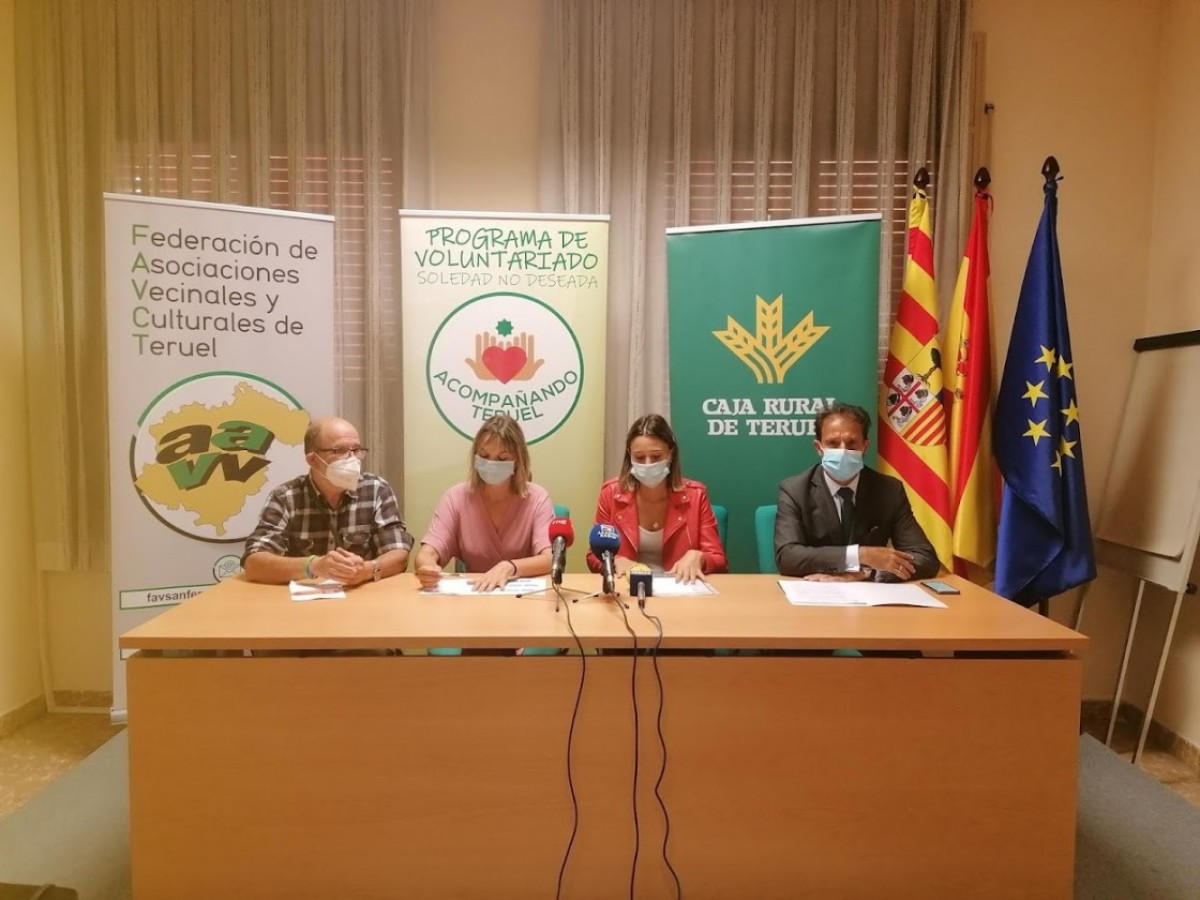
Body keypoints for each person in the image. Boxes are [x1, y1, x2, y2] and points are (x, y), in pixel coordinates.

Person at [775, 401, 938, 582]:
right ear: (818, 448)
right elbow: (788, 558)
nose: (843, 451)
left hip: (871, 598)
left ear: (864, 446)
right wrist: (860, 555)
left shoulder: (889, 490)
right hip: (813, 594)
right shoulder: (795, 490)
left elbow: (925, 558)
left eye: (852, 443)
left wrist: (865, 574)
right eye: (833, 443)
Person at [243, 416, 412, 584]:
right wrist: (314, 566)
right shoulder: (286, 497)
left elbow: (398, 553)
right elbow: (254, 563)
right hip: (302, 603)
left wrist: (367, 570)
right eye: (339, 450)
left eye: (356, 450)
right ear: (313, 459)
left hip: (360, 598)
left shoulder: (376, 489)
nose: (351, 458)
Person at [414, 415, 553, 592]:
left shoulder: (538, 498)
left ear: (518, 460)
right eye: (484, 455)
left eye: (502, 458)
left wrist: (509, 567)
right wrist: (427, 568)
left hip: (523, 598)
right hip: (474, 596)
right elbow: (427, 553)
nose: (491, 463)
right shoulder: (455, 498)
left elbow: (549, 559)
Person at [588, 413, 728, 583]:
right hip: (627, 590)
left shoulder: (696, 495)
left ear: (670, 454)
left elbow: (719, 560)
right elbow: (593, 556)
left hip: (679, 588)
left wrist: (700, 557)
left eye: (655, 457)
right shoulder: (610, 493)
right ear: (629, 456)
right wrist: (613, 561)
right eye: (639, 457)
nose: (647, 464)